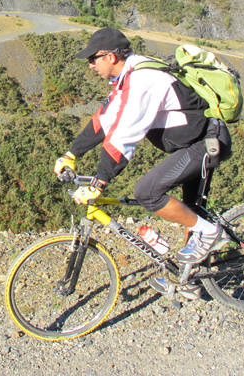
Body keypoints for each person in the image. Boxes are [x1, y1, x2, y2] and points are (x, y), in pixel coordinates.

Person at [53, 27, 232, 265]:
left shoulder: (142, 80)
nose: (90, 65)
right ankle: (190, 279)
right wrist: (71, 154)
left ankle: (211, 233)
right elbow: (103, 121)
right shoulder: (128, 77)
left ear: (110, 57)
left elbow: (124, 136)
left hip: (205, 144)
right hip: (192, 143)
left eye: (92, 58)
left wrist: (99, 182)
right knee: (191, 212)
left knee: (147, 192)